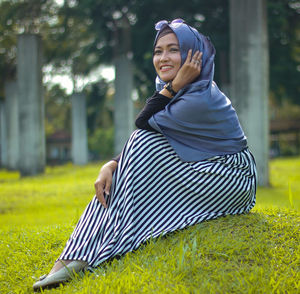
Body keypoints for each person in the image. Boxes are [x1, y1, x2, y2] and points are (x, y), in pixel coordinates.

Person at [33, 19, 257, 291]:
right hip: (202, 167)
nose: (163, 58)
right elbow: (151, 131)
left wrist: (173, 86)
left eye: (173, 50)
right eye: (158, 51)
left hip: (231, 179)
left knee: (143, 142)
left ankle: (97, 249)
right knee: (138, 152)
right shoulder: (178, 91)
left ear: (192, 55)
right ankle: (74, 256)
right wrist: (112, 164)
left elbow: (142, 123)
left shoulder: (199, 97)